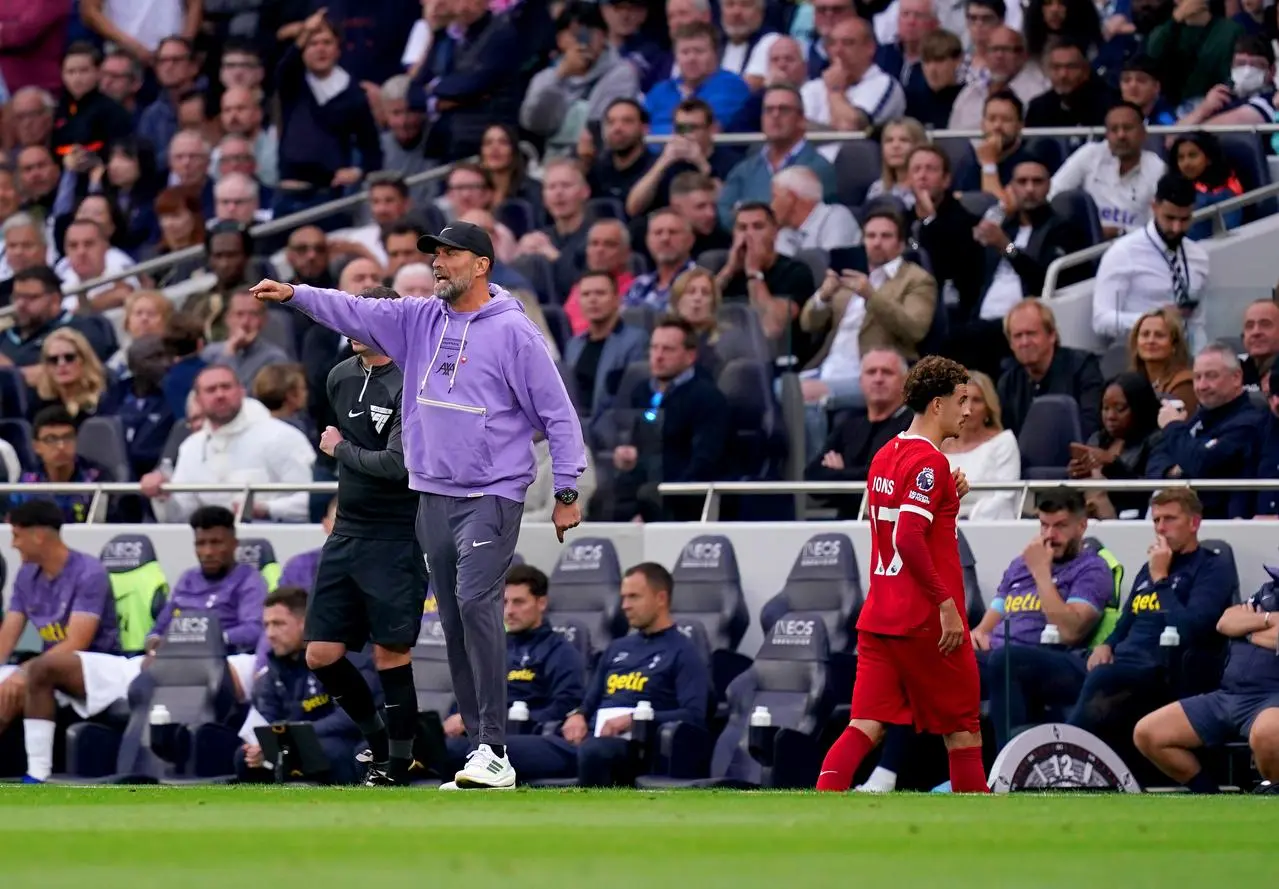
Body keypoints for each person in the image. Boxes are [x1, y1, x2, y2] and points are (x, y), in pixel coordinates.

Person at [250, 221, 588, 790]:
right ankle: (484, 747)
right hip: (433, 491)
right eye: (434, 255)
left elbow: (558, 413)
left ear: (481, 264)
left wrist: (567, 490)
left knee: (478, 604)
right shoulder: (418, 318)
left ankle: (494, 748)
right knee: (454, 617)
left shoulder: (515, 333)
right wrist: (296, 295)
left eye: (450, 255)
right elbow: (354, 310)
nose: (438, 264)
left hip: (492, 491)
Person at [816, 355, 989, 794]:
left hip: (880, 616)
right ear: (937, 405)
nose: (967, 411)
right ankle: (984, 835)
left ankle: (819, 807)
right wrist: (947, 604)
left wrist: (951, 489)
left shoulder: (884, 455)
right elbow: (909, 538)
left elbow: (908, 516)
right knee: (963, 729)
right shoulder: (931, 464)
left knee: (865, 726)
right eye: (961, 400)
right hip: (927, 620)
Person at [304, 285, 427, 787]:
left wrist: (338, 451)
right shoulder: (339, 377)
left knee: (391, 652)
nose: (352, 327)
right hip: (348, 531)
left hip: (396, 534)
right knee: (321, 653)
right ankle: (376, 740)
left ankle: (399, 763)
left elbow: (399, 465)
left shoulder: (410, 381)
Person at [0, 500, 122, 779]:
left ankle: (37, 773)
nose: (13, 544)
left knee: (28, 677)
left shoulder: (89, 572)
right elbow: (7, 635)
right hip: (47, 669)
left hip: (92, 668)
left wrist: (23, 671)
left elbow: (77, 642)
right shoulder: (26, 575)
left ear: (38, 535)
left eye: (17, 535)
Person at [1134, 580, 1279, 793]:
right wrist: (1267, 620)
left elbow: (1242, 627)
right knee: (1148, 733)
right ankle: (1209, 795)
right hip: (1228, 695)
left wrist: (1247, 629)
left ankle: (1273, 793)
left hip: (1271, 698)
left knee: (1268, 732)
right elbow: (1226, 622)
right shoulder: (1269, 590)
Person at [237, 587, 378, 786]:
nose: (269, 634)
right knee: (244, 757)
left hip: (345, 741)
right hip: (294, 743)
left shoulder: (344, 658)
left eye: (278, 624)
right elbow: (266, 716)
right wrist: (262, 744)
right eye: (266, 625)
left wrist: (290, 737)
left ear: (305, 623)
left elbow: (349, 718)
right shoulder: (273, 670)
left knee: (330, 751)